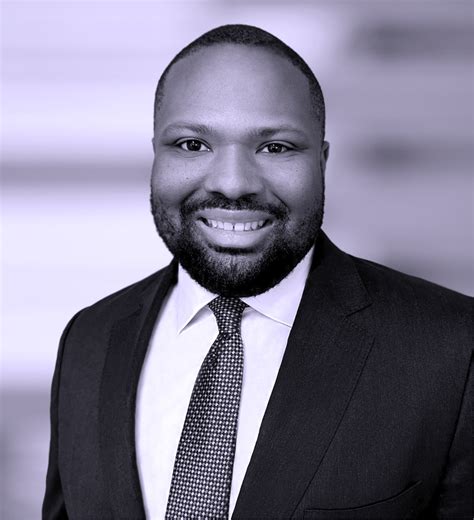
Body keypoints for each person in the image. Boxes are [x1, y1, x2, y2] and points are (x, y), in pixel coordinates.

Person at [43, 24, 472, 520]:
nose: (232, 184)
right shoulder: (89, 340)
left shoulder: (453, 351)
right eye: (192, 144)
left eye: (275, 148)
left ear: (322, 162)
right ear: (155, 154)